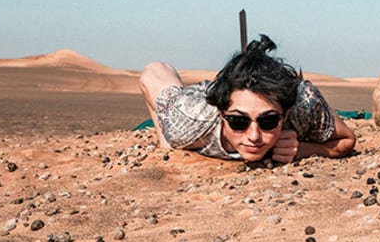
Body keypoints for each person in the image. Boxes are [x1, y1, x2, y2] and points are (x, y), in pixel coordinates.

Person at [139, 35, 356, 164]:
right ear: (221, 114)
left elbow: (346, 140)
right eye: (238, 122)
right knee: (172, 143)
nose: (254, 136)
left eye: (268, 121)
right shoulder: (188, 119)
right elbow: (153, 73)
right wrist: (168, 144)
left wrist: (303, 149)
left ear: (286, 114)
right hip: (197, 106)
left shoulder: (304, 104)